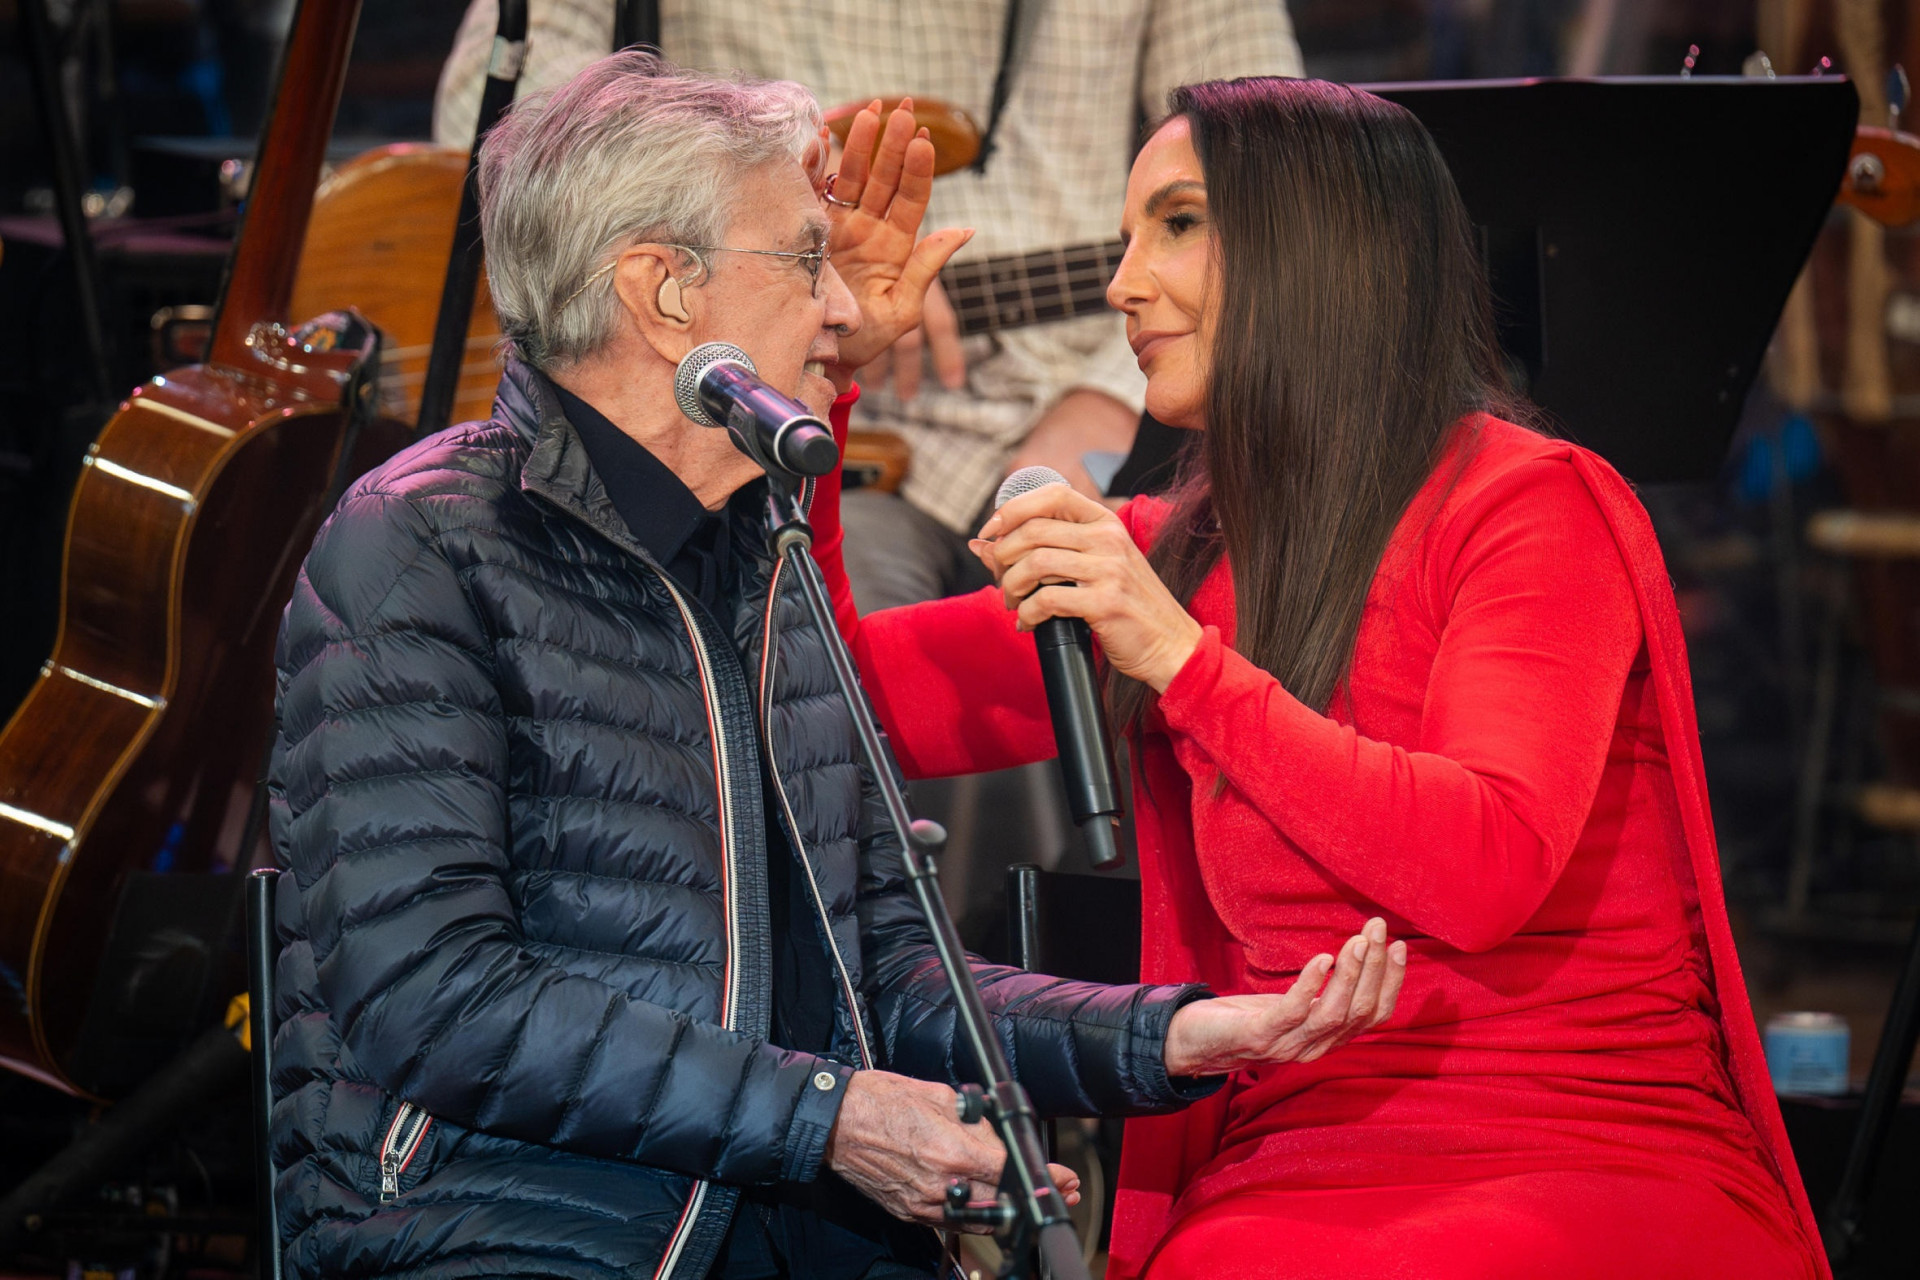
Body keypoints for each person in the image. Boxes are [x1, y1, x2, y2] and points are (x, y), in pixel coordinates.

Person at [265, 57, 1404, 1280]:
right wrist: (837, 1115)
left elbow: (895, 982)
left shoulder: (770, 558)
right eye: (805, 260)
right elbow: (438, 999)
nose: (844, 309)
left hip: (799, 1216)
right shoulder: (421, 543)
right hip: (518, 1227)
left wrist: (1174, 1032)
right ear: (662, 295)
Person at [810, 77, 1830, 1278]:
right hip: (1290, 1162)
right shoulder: (1159, 559)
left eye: (1178, 224)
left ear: (1317, 250)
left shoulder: (1526, 502)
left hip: (1581, 1145)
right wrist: (821, 373)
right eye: (1131, 234)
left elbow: (1481, 863)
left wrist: (1186, 665)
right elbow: (840, 704)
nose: (1122, 283)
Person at [434, 0, 1303, 612]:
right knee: (807, 633)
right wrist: (783, 243)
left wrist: (1106, 402)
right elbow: (509, 142)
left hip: (1080, 400)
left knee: (1224, 590)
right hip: (736, 412)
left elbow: (1261, 176)